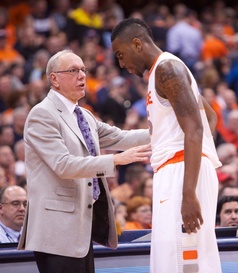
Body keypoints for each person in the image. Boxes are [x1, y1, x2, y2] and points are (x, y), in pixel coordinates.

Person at [18, 49, 151, 273]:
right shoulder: (42, 114)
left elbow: (121, 137)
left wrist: (165, 131)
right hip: (56, 231)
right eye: (73, 70)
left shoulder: (84, 115)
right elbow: (64, 165)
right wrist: (115, 160)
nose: (82, 75)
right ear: (54, 79)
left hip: (80, 228)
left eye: (83, 70)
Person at [111, 18, 222, 273]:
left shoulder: (167, 69)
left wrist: (189, 191)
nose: (121, 64)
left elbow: (195, 128)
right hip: (180, 168)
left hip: (181, 170)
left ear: (137, 44)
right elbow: (210, 118)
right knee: (177, 259)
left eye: (121, 54)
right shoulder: (163, 72)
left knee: (184, 262)